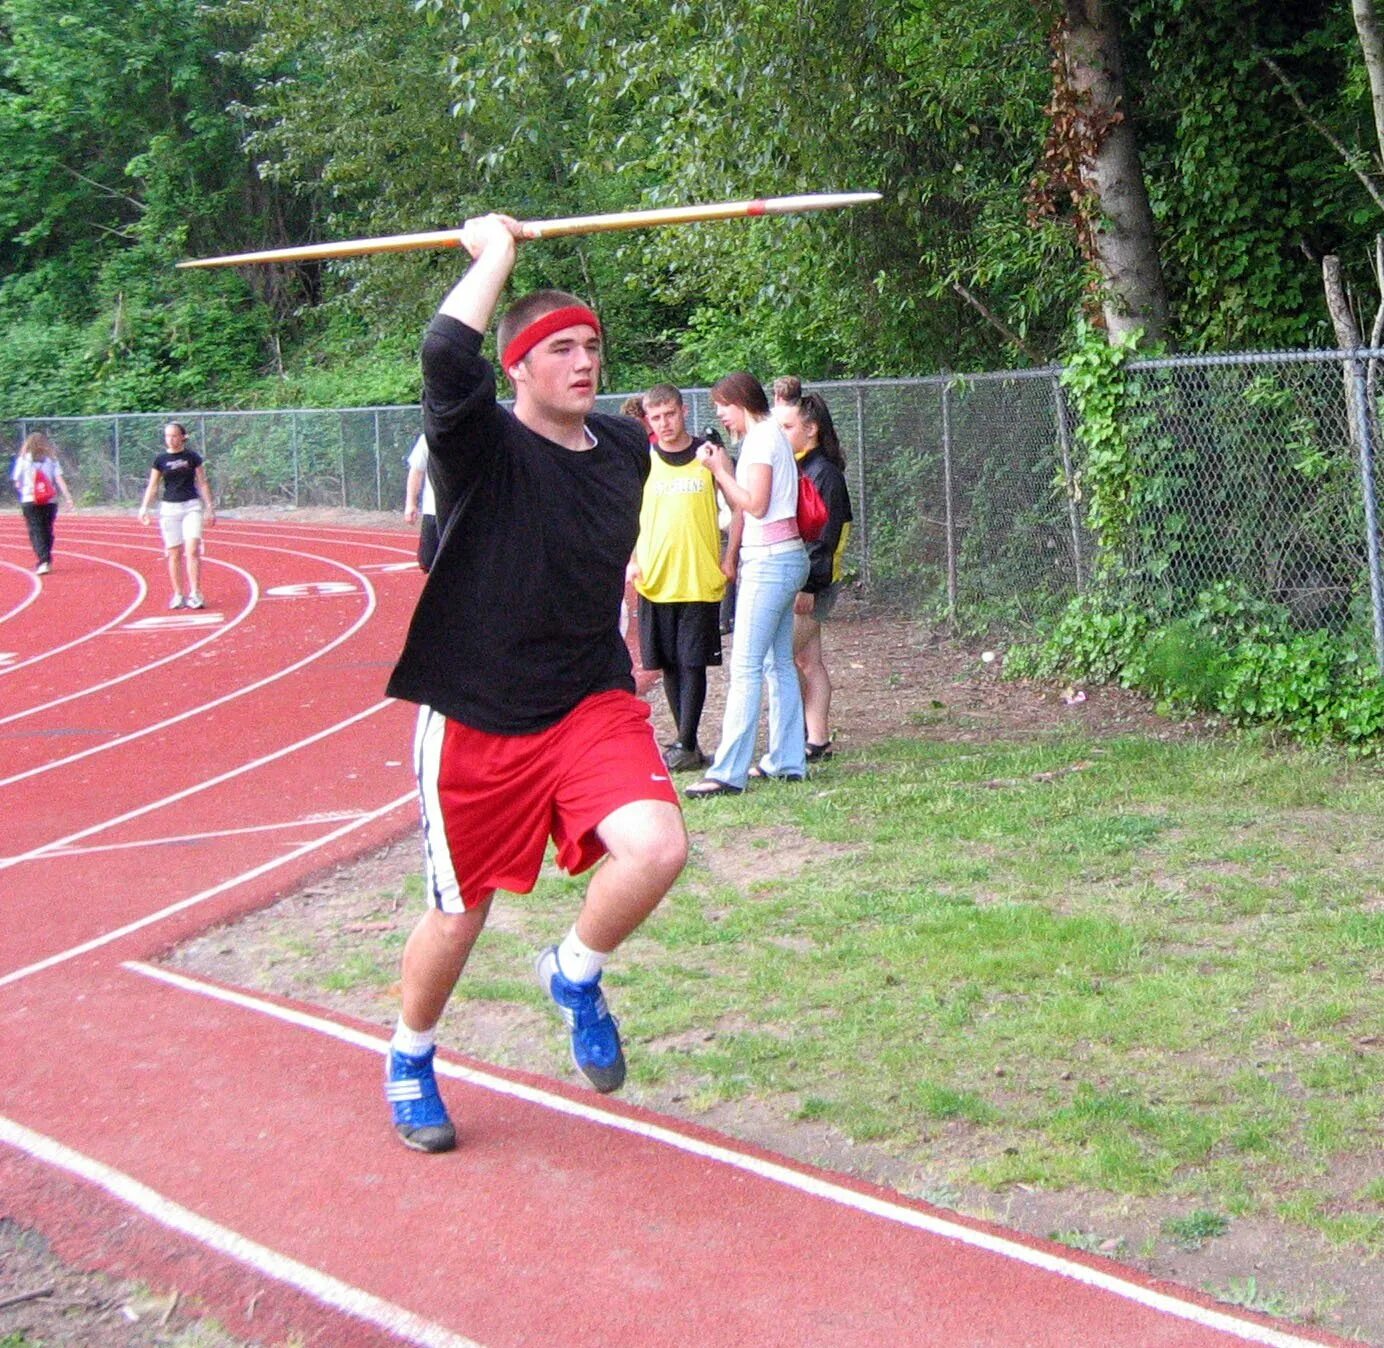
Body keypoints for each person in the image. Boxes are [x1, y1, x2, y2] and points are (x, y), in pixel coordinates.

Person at [382, 213, 688, 1153]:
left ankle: (575, 971)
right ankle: (410, 1055)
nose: (584, 361)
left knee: (658, 849)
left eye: (593, 345)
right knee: (460, 912)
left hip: (588, 699)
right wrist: (497, 257)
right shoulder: (481, 445)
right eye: (559, 348)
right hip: (478, 715)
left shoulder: (627, 449)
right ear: (517, 367)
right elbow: (444, 351)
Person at [685, 373, 809, 796]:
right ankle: (787, 760)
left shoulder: (759, 440)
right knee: (777, 664)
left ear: (739, 402)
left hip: (770, 562)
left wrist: (720, 470)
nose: (719, 414)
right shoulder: (772, 435)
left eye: (722, 405)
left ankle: (727, 773)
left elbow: (754, 505)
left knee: (747, 667)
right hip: (786, 557)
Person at [630, 384, 734, 772]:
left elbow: (736, 506)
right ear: (648, 420)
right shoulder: (643, 460)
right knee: (670, 663)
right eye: (656, 417)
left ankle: (686, 741)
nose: (664, 423)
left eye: (669, 414)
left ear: (683, 412)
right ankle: (685, 743)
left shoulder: (707, 456)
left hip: (698, 576)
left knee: (693, 662)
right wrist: (633, 558)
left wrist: (731, 557)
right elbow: (628, 513)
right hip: (656, 578)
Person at [777, 393, 853, 761]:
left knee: (782, 658)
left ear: (811, 430)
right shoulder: (799, 467)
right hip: (803, 580)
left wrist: (809, 585)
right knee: (808, 661)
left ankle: (794, 738)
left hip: (813, 583)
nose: (781, 433)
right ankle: (817, 739)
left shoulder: (825, 475)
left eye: (788, 427)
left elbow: (826, 538)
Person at [137, 422, 216, 609]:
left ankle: (195, 593)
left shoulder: (192, 457)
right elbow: (153, 485)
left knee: (193, 549)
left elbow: (202, 482)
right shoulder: (160, 459)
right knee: (173, 553)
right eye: (167, 436)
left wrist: (209, 507)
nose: (170, 440)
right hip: (169, 508)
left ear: (183, 437)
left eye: (174, 436)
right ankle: (178, 594)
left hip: (191, 506)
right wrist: (144, 508)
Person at [10, 432, 76, 574]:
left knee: (35, 530)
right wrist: (68, 497)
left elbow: (17, 482)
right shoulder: (51, 459)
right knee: (47, 530)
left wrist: (25, 490)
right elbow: (59, 479)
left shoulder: (23, 460)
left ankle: (44, 560)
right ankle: (46, 558)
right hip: (49, 500)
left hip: (30, 499)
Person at [403, 432, 438, 572]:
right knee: (428, 561)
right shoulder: (428, 438)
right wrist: (411, 503)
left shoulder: (475, 435)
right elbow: (417, 471)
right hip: (433, 510)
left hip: (465, 512)